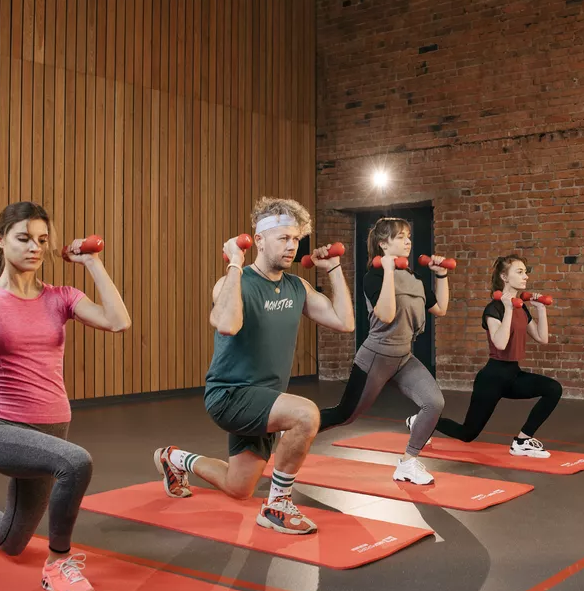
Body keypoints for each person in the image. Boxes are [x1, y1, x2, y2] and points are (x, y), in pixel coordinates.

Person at [0, 201, 132, 591]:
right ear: (0, 241)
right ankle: (58, 565)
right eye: (23, 238)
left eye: (42, 240)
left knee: (12, 540)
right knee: (77, 462)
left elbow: (118, 321)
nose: (35, 247)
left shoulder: (62, 297)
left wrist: (91, 263)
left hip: (51, 429)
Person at [153, 197, 355, 535]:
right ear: (258, 240)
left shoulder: (296, 286)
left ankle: (172, 458)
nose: (292, 246)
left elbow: (344, 322)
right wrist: (234, 263)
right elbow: (228, 324)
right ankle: (277, 505)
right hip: (230, 394)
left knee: (239, 487)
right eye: (283, 238)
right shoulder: (233, 282)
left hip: (264, 398)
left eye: (296, 239)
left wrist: (333, 269)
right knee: (306, 415)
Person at [316, 217, 451, 485]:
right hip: (376, 357)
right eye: (400, 236)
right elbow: (386, 315)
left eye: (409, 235)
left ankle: (408, 463)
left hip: (403, 357)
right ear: (383, 244)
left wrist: (441, 275)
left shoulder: (414, 278)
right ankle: (293, 427)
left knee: (434, 402)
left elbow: (441, 309)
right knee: (345, 415)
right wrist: (389, 271)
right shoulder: (374, 276)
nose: (408, 241)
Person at [434, 255, 562, 458]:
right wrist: (508, 309)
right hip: (492, 378)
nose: (525, 277)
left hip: (513, 375)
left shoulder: (522, 307)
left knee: (553, 389)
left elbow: (541, 338)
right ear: (504, 276)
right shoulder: (493, 308)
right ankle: (423, 421)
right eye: (519, 272)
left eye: (525, 272)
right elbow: (500, 344)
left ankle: (522, 441)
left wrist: (541, 310)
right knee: (468, 433)